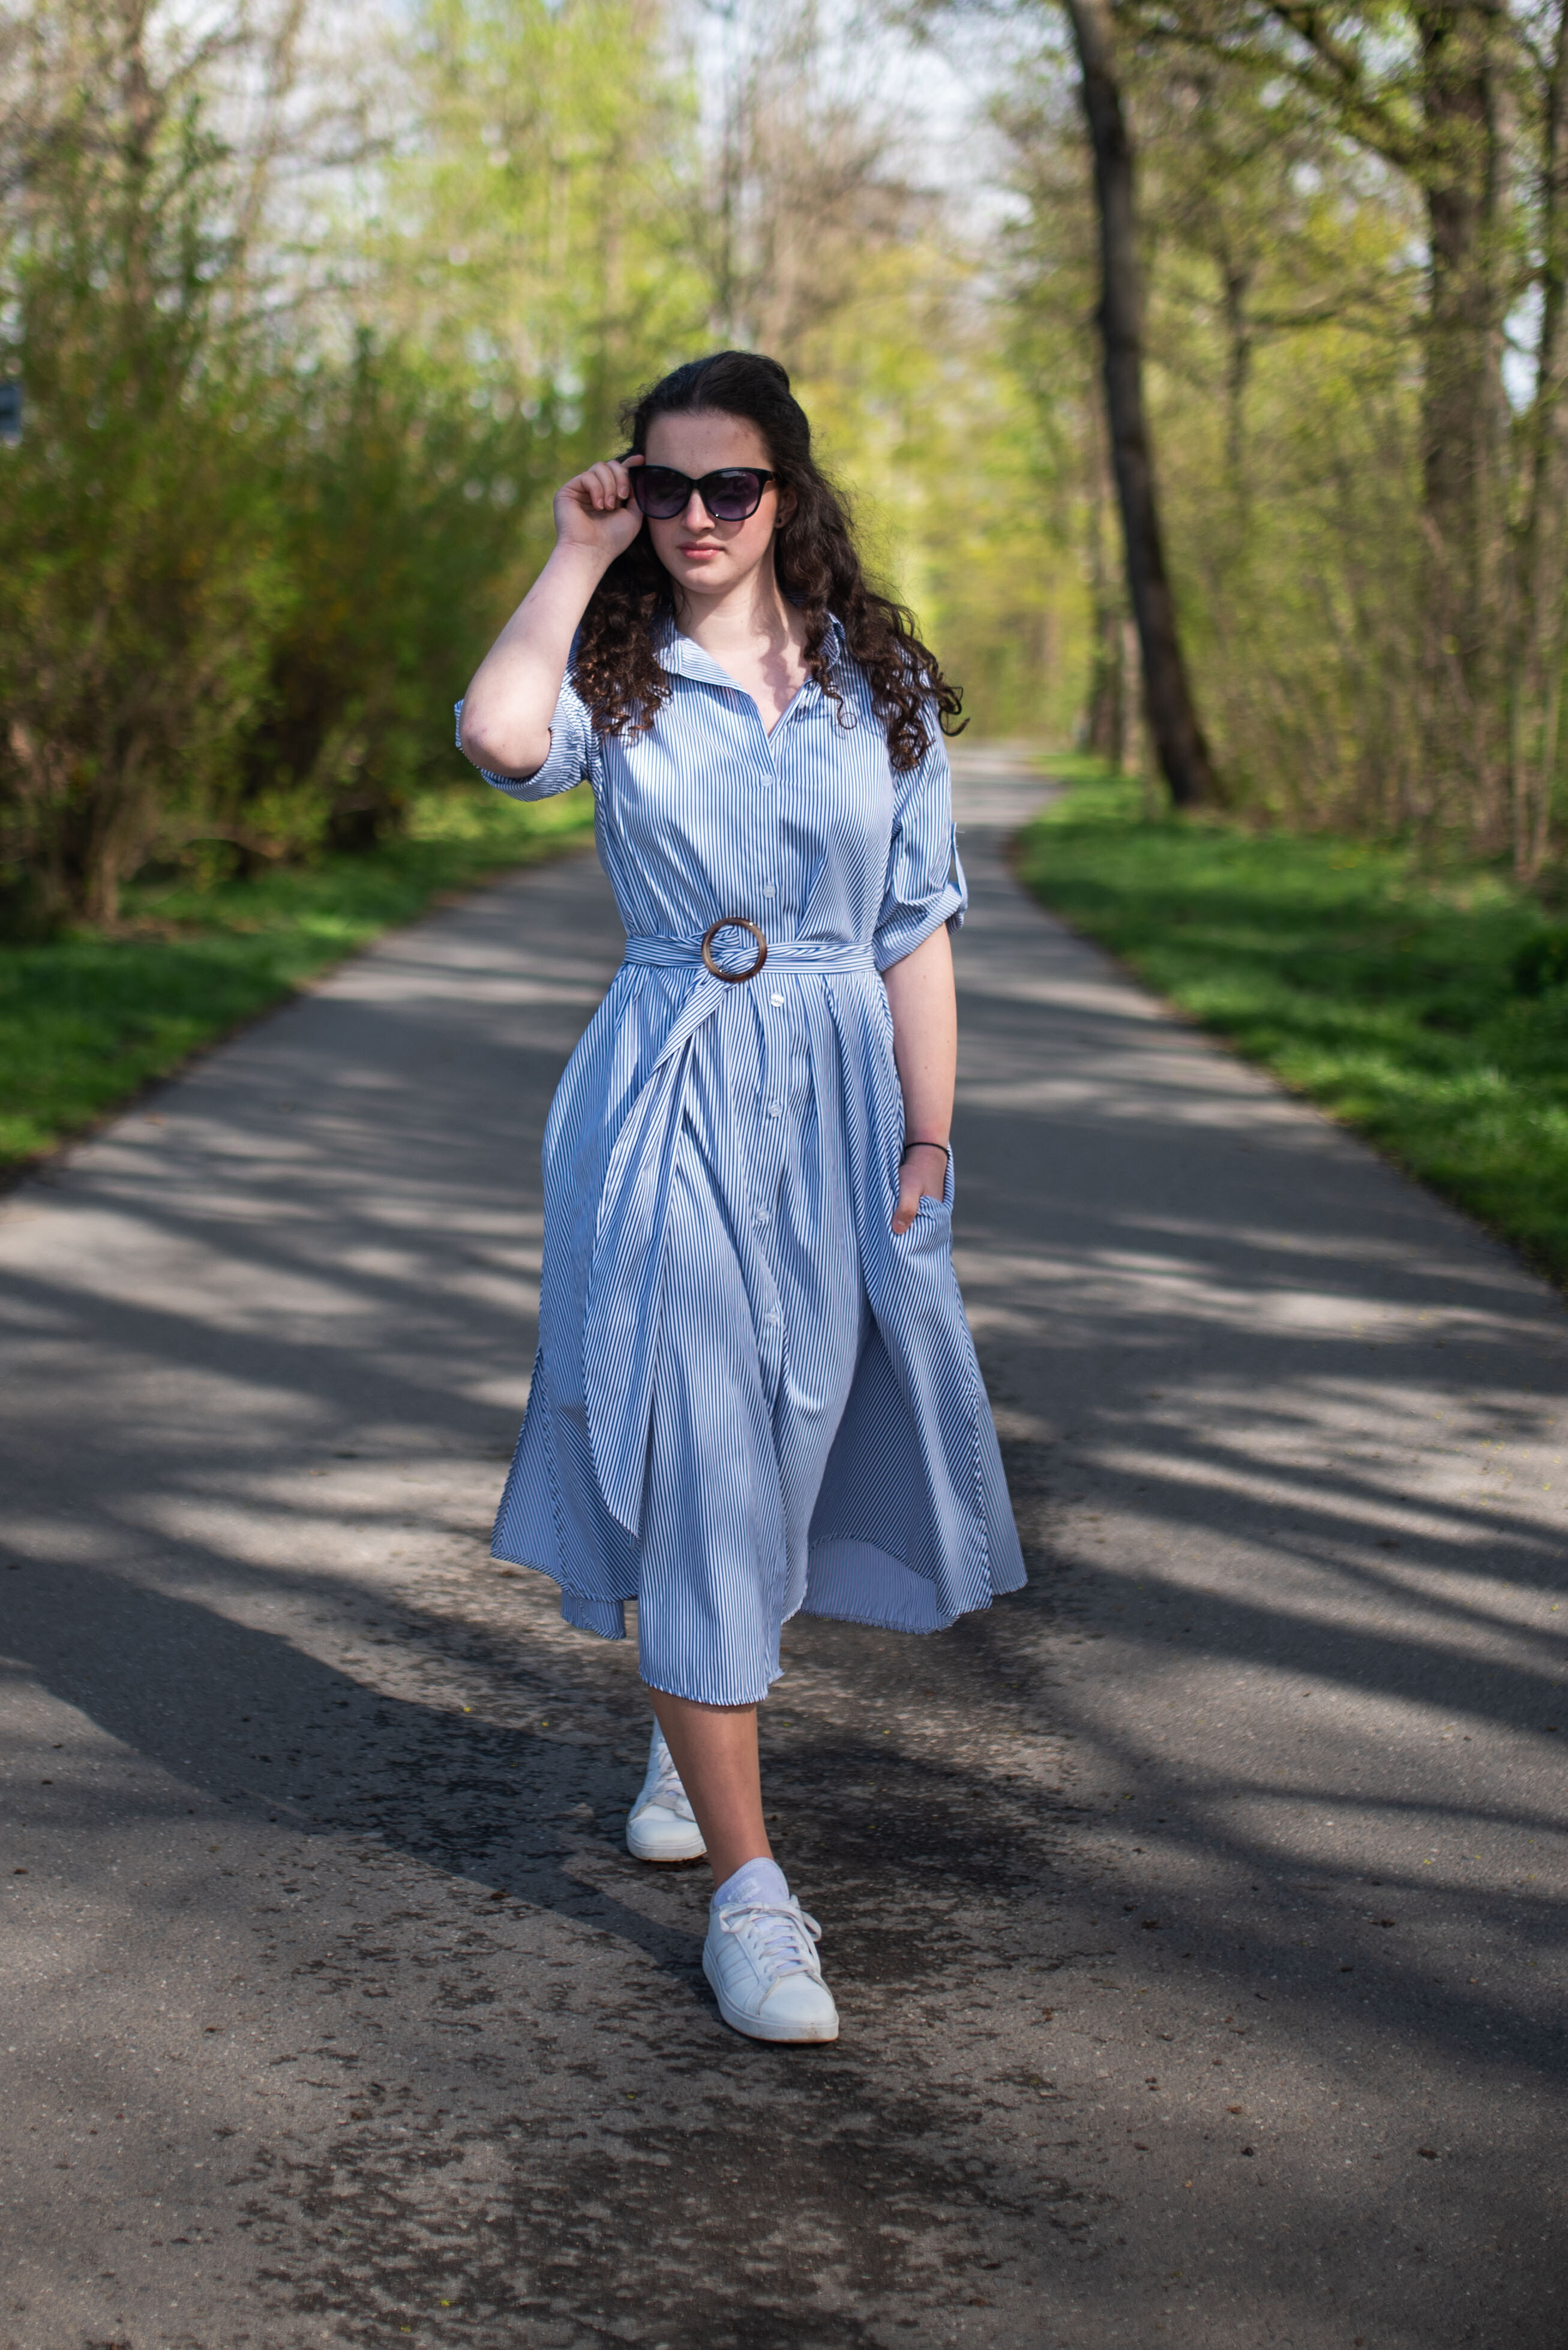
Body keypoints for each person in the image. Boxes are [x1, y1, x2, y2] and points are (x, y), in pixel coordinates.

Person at [457, 349, 1024, 2046]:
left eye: (731, 486)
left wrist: (931, 1140)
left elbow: (917, 923)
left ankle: (682, 1725)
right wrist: (573, 552)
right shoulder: (615, 670)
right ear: (632, 492)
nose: (697, 516)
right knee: (699, 1441)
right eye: (665, 485)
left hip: (844, 1096)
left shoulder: (876, 685)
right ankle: (753, 1894)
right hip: (666, 1085)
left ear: (788, 494)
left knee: (791, 1435)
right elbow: (497, 736)